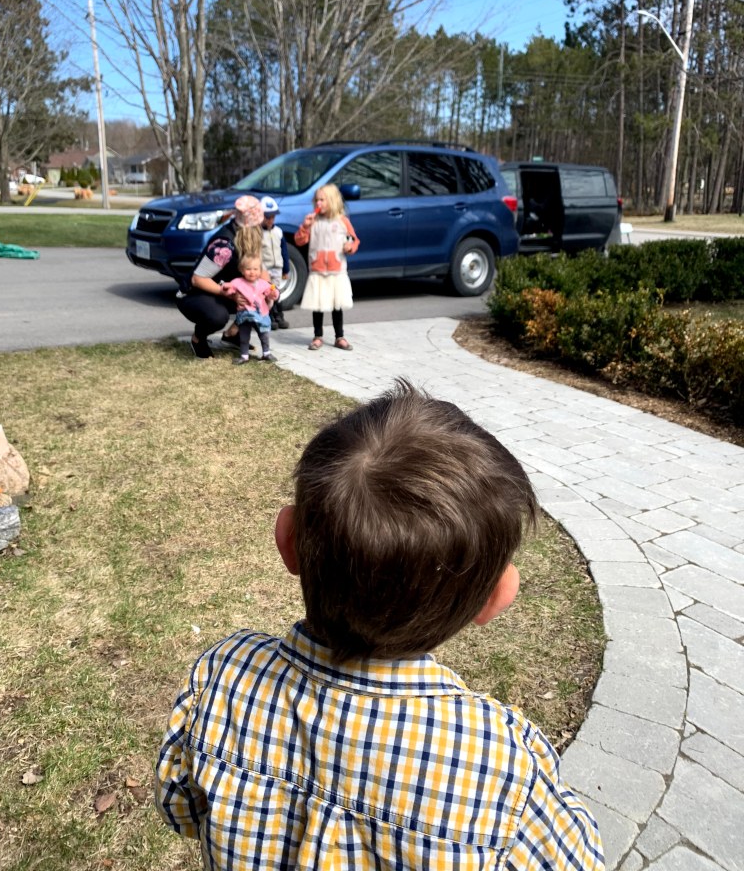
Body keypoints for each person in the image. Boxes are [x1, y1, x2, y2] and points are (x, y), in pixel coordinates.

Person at [155, 381, 604, 871]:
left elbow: (179, 806)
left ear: (288, 541)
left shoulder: (223, 677)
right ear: (495, 598)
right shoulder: (501, 766)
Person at [175, 195, 264, 359]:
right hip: (193, 293)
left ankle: (232, 335)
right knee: (218, 316)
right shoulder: (224, 245)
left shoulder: (248, 238)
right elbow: (198, 279)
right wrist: (229, 293)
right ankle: (197, 339)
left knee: (261, 296)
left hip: (222, 289)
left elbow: (259, 269)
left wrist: (267, 288)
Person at [294, 182, 359, 351]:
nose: (318, 204)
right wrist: (305, 227)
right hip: (317, 269)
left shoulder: (343, 221)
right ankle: (317, 335)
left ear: (332, 200)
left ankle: (340, 336)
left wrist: (349, 246)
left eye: (322, 200)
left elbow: (353, 240)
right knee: (318, 304)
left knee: (337, 305)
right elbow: (300, 240)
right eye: (316, 200)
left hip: (337, 271)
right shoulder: (313, 221)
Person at [222, 254, 279, 364]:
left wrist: (273, 293)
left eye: (255, 269)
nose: (252, 272)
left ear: (260, 271)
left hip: (261, 314)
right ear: (242, 270)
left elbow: (271, 294)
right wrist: (227, 288)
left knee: (264, 334)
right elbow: (229, 290)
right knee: (244, 336)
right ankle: (244, 356)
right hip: (245, 315)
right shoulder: (237, 282)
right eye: (248, 269)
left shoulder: (263, 283)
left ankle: (266, 353)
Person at [260, 195, 291, 330]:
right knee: (268, 292)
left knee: (277, 292)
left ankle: (280, 317)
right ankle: (270, 317)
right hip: (265, 269)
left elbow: (284, 251)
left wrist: (286, 269)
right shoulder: (258, 233)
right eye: (267, 217)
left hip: (277, 268)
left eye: (273, 216)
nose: (270, 220)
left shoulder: (278, 232)